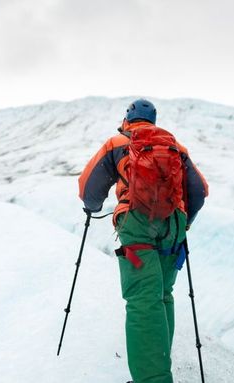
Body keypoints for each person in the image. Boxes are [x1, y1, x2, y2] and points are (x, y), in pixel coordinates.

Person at [78, 99, 209, 383]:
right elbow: (199, 191)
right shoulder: (175, 147)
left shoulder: (117, 143)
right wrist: (184, 223)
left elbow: (89, 186)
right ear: (153, 120)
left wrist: (92, 208)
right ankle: (158, 360)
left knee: (142, 299)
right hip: (173, 225)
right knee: (162, 294)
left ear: (128, 119)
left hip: (137, 224)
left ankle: (153, 379)